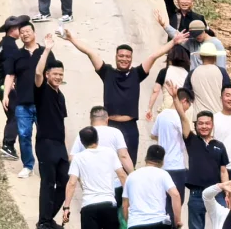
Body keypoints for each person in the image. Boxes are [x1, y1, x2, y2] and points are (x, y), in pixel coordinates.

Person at [63, 29, 189, 165]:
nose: (124, 59)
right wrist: (72, 39)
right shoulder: (107, 72)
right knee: (108, 163)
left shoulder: (137, 73)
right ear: (116, 57)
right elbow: (90, 53)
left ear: (131, 58)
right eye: (121, 56)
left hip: (130, 127)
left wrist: (173, 42)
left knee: (129, 163)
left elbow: (153, 56)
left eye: (127, 56)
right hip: (110, 125)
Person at [63, 126, 128, 229]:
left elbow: (71, 183)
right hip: (108, 204)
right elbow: (122, 175)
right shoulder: (109, 153)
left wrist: (66, 207)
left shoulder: (79, 158)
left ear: (82, 143)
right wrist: (129, 197)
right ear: (97, 139)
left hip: (89, 207)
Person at [72, 106, 135, 229]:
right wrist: (133, 176)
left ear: (91, 120)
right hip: (114, 184)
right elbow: (123, 155)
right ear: (107, 119)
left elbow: (72, 157)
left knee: (94, 222)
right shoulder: (115, 132)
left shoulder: (85, 133)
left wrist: (81, 177)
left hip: (92, 187)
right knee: (117, 219)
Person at [2, 21, 54, 179]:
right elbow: (10, 75)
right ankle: (28, 165)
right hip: (22, 103)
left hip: (42, 102)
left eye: (27, 31)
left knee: (44, 135)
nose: (24, 34)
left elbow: (54, 73)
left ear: (34, 33)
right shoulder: (16, 55)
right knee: (24, 135)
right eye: (22, 32)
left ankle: (46, 165)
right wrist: (5, 95)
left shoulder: (45, 52)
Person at [184, 108, 228, 229]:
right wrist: (177, 101)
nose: (204, 126)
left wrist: (227, 193)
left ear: (212, 125)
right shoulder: (192, 141)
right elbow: (183, 119)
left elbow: (223, 170)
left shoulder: (219, 146)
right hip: (196, 195)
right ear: (196, 125)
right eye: (200, 123)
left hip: (216, 195)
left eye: (207, 123)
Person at [33, 34, 69, 229]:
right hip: (45, 143)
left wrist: (66, 149)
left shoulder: (60, 95)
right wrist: (46, 50)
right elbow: (37, 73)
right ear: (48, 75)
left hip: (59, 146)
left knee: (65, 182)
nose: (57, 77)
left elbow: (61, 123)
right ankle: (42, 222)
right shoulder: (42, 90)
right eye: (54, 74)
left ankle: (48, 218)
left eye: (60, 74)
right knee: (48, 183)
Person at [150, 82, 192, 229]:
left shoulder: (162, 115)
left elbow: (153, 134)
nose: (188, 109)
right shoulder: (180, 118)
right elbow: (187, 136)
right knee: (177, 198)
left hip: (162, 165)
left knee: (163, 198)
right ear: (184, 101)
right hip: (176, 166)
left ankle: (162, 226)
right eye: (189, 105)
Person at [0, 14, 29, 160]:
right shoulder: (10, 46)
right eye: (19, 28)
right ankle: (8, 145)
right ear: (12, 30)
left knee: (13, 116)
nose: (21, 31)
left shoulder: (3, 44)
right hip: (7, 87)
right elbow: (10, 69)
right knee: (15, 115)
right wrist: (11, 87)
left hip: (3, 86)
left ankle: (8, 145)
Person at [160, 15, 227, 70]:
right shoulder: (192, 43)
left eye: (199, 34)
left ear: (204, 30)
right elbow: (177, 37)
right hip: (194, 78)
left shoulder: (216, 43)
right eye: (195, 35)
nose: (197, 37)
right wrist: (165, 26)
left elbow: (221, 65)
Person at [145, 43, 191, 122]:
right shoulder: (187, 73)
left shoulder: (164, 72)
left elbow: (155, 91)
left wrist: (149, 108)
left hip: (168, 107)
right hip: (185, 108)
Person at [183, 42, 231, 116]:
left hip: (199, 116)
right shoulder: (221, 72)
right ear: (215, 57)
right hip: (218, 115)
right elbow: (229, 93)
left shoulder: (193, 73)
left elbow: (186, 94)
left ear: (201, 57)